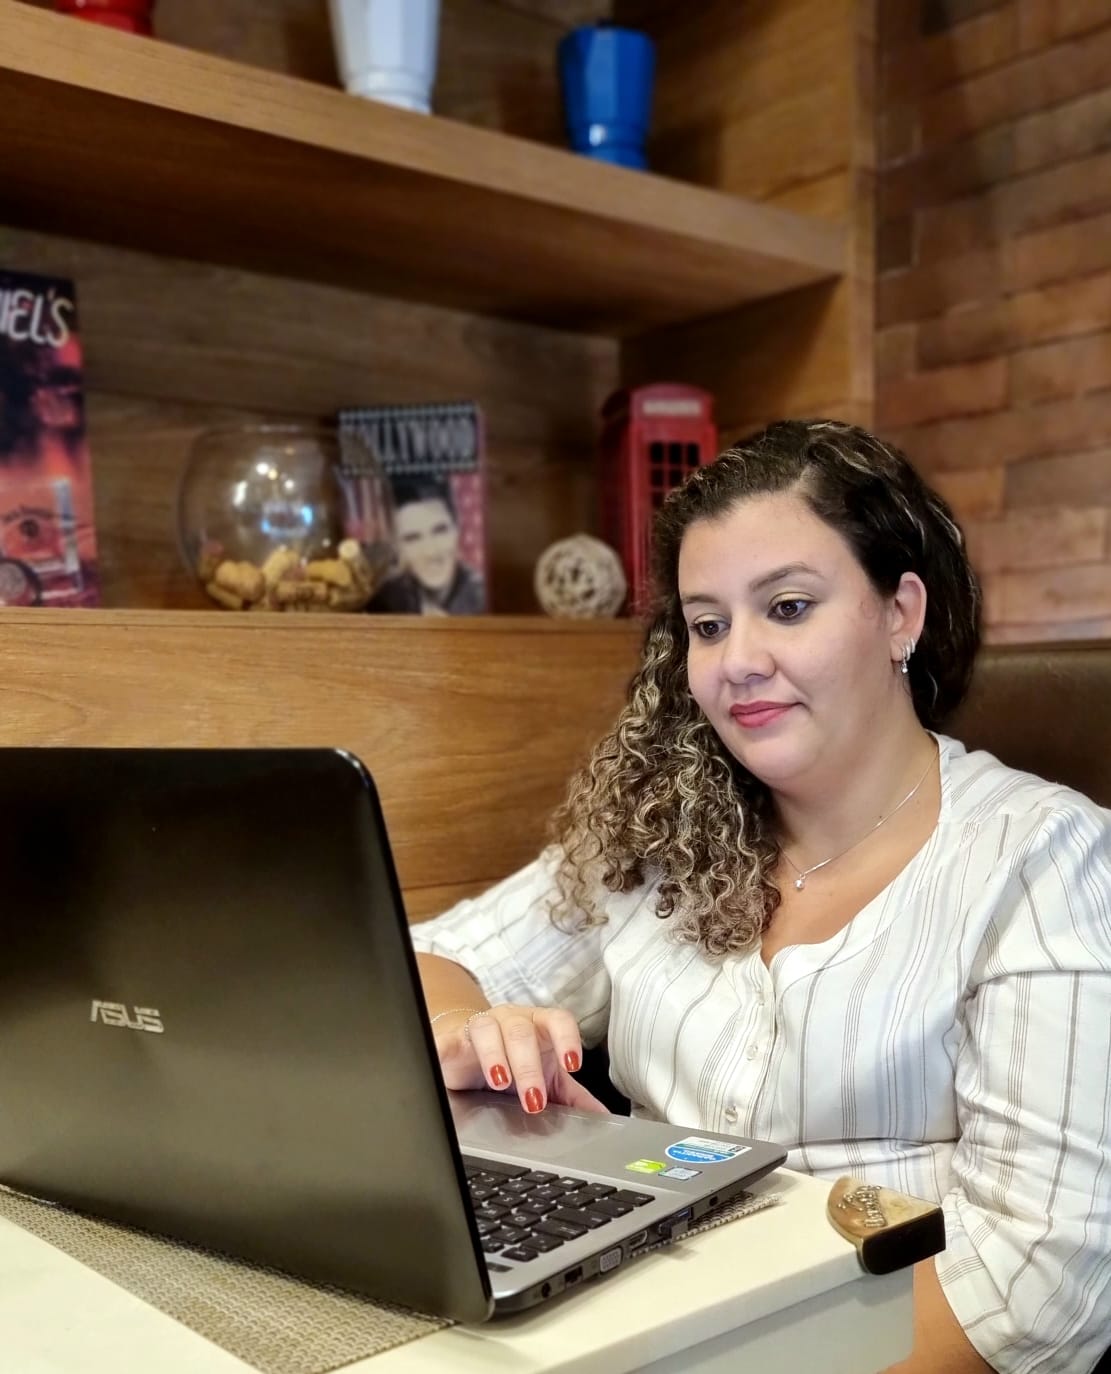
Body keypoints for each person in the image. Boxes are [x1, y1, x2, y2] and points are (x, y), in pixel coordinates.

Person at [411, 418, 1111, 1374]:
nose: (737, 658)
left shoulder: (1045, 860)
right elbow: (434, 959)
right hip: (621, 1336)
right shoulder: (662, 833)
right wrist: (465, 1030)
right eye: (707, 624)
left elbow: (1037, 1289)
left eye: (786, 607)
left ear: (899, 614)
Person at [368, 474, 485, 615]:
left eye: (440, 531)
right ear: (396, 545)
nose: (431, 552)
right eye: (412, 538)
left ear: (456, 530)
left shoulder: (485, 598)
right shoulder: (385, 599)